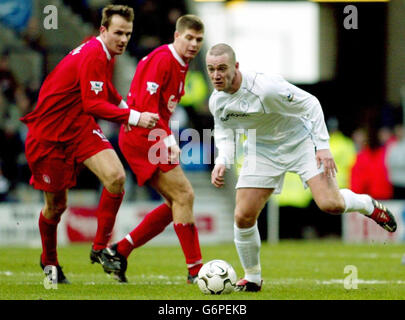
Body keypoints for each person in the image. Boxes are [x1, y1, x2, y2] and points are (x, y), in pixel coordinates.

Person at [205, 43, 397, 292]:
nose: (216, 75)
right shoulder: (217, 101)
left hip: (300, 142)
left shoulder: (266, 88)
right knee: (242, 216)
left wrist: (322, 146)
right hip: (260, 150)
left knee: (331, 204)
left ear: (236, 66)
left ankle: (367, 205)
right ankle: (252, 278)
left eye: (222, 68)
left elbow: (311, 104)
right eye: (211, 69)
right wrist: (222, 161)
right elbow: (223, 131)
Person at [20, 5, 159, 284]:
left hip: (79, 127)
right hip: (49, 135)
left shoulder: (104, 53)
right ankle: (49, 261)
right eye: (118, 33)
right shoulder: (95, 52)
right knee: (56, 207)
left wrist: (123, 108)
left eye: (128, 34)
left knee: (116, 177)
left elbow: (103, 88)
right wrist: (134, 116)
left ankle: (99, 247)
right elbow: (93, 103)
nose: (123, 39)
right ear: (103, 30)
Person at [105, 14, 205, 284]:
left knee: (176, 202)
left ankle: (119, 251)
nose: (194, 44)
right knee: (184, 195)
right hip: (141, 135)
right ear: (176, 36)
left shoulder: (182, 64)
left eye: (199, 40)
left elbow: (162, 107)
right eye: (189, 38)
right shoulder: (163, 59)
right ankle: (195, 271)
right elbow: (148, 108)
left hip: (151, 135)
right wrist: (169, 139)